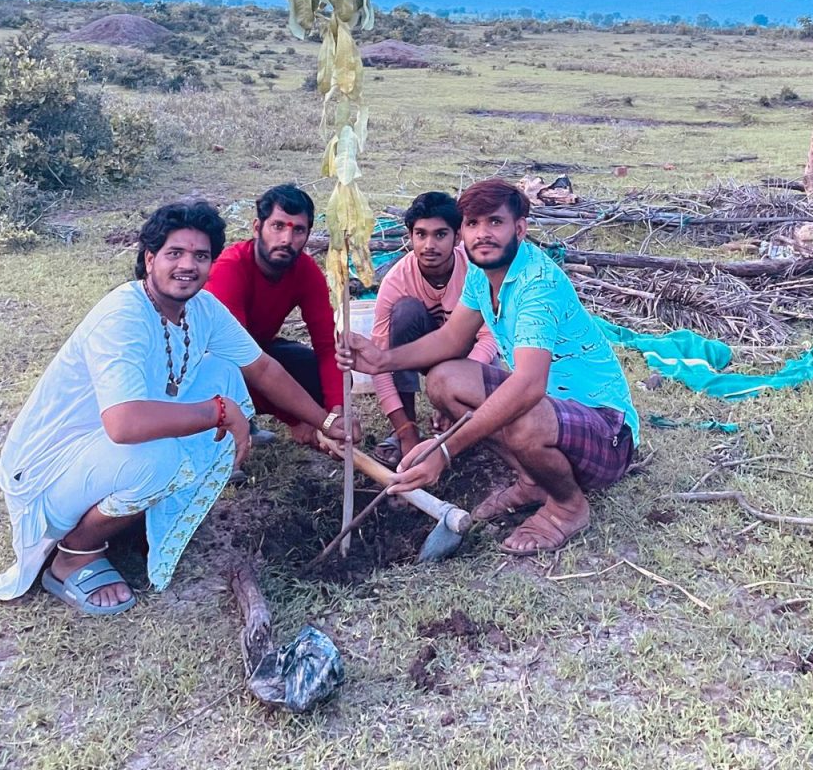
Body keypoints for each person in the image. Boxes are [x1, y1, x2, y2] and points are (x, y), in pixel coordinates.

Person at [0, 201, 356, 615]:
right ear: (150, 258)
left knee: (223, 372)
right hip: (46, 473)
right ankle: (73, 555)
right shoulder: (123, 315)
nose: (188, 265)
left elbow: (262, 368)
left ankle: (130, 516)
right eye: (175, 253)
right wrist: (218, 412)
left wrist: (326, 421)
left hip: (98, 458)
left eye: (201, 256)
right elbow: (123, 424)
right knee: (160, 458)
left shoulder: (202, 309)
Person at [338, 179, 640, 556]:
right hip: (554, 413)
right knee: (444, 380)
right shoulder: (482, 274)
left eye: (495, 222)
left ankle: (567, 507)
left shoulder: (537, 285)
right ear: (462, 232)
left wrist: (444, 450)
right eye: (473, 223)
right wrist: (383, 359)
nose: (482, 234)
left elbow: (529, 386)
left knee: (526, 414)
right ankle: (533, 480)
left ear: (520, 228)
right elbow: (452, 340)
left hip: (607, 431)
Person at [205, 184, 345, 447]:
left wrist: (337, 412)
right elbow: (241, 360)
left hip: (258, 350)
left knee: (312, 368)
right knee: (229, 368)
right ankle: (229, 428)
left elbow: (328, 347)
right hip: (212, 362)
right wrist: (298, 420)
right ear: (257, 228)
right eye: (278, 226)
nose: (286, 240)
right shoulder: (229, 269)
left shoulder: (306, 271)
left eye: (298, 230)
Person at [370, 191, 498, 465]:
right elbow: (379, 362)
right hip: (425, 353)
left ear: (458, 237)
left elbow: (489, 339)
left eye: (440, 235)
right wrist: (404, 431)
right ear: (410, 237)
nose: (429, 245)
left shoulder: (476, 270)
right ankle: (408, 429)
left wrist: (453, 388)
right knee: (405, 312)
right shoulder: (396, 280)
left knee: (487, 424)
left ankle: (463, 426)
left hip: (471, 356)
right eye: (421, 234)